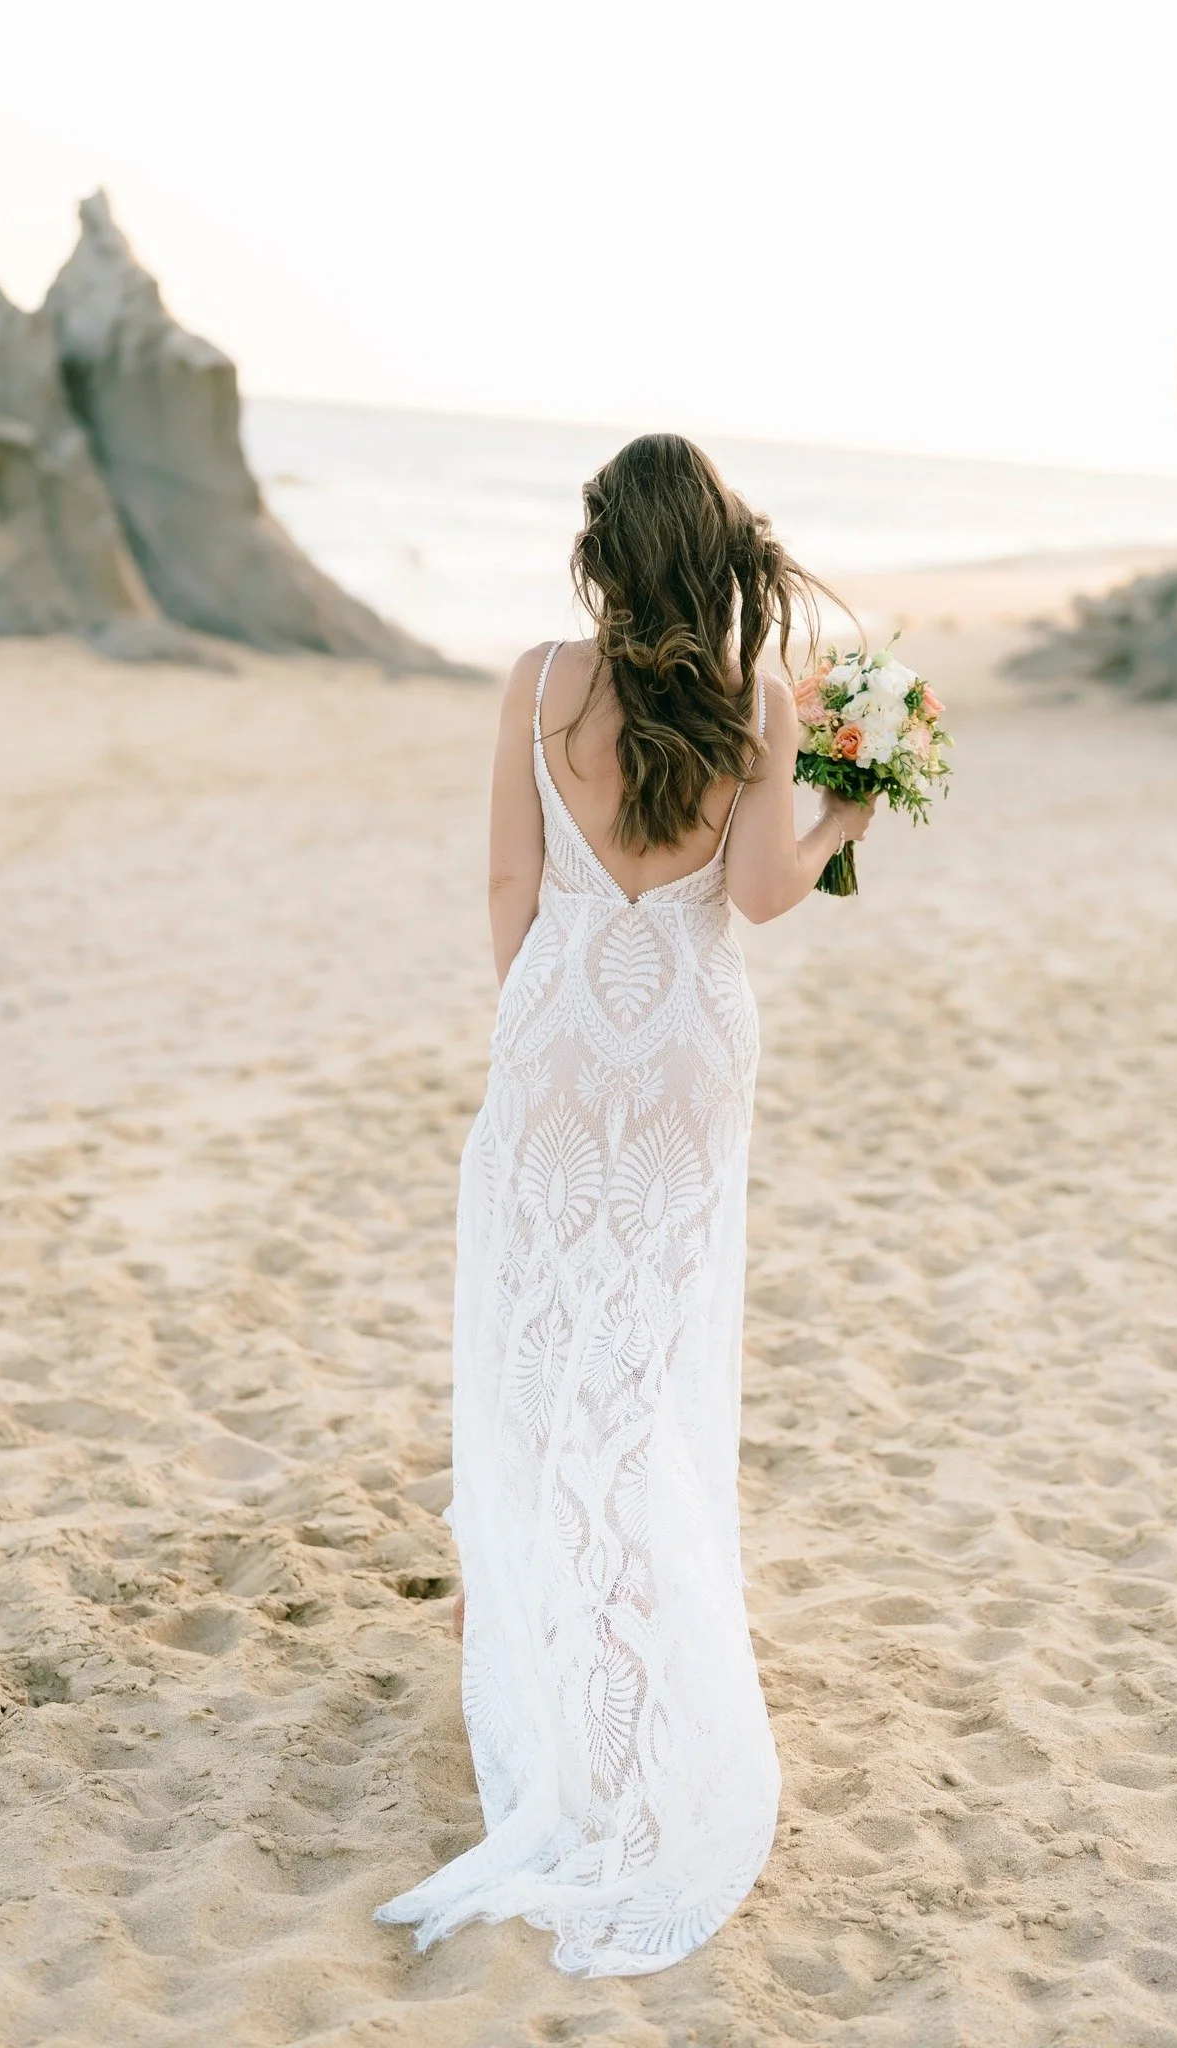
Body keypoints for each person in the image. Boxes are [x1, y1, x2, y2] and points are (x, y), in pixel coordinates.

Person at [376, 433, 875, 1976]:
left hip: (557, 1033)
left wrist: (539, 1031)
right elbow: (762, 896)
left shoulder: (535, 683)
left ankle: (514, 1601)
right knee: (642, 1353)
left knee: (529, 1327)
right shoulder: (756, 703)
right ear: (713, 551)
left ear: (602, 550)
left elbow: (506, 895)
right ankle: (623, 1618)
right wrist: (854, 810)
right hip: (684, 1050)